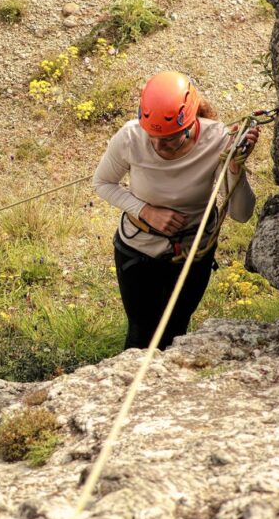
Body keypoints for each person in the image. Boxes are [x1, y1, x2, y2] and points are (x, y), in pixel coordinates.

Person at [93, 71, 259, 350]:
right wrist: (145, 211)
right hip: (139, 250)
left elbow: (241, 214)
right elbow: (102, 183)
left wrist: (234, 167)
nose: (158, 145)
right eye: (152, 136)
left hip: (193, 252)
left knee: (176, 331)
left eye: (169, 138)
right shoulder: (130, 137)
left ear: (190, 124)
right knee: (140, 334)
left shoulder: (217, 140)